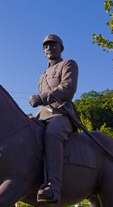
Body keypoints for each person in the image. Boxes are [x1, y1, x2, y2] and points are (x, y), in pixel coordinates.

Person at [29, 34, 79, 203]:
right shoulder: (41, 76)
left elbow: (68, 87)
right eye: (46, 47)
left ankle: (53, 187)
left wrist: (41, 98)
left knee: (52, 133)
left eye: (52, 45)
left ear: (60, 48)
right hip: (42, 115)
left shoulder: (68, 64)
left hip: (61, 114)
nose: (49, 48)